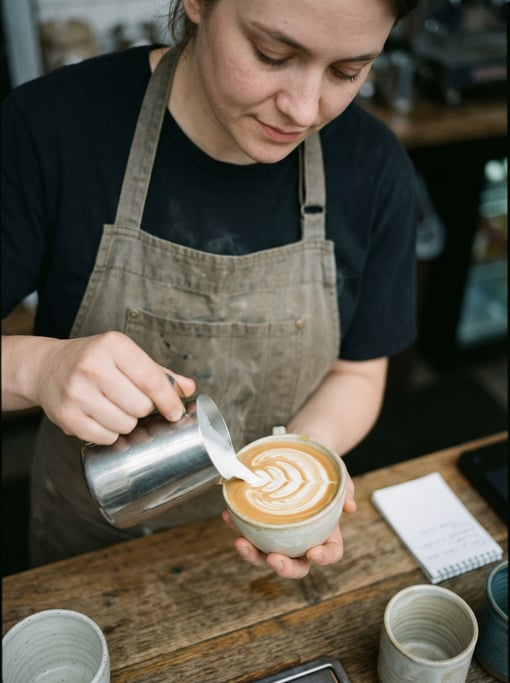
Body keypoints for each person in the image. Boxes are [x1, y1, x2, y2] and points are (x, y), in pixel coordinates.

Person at [1, 0, 419, 578]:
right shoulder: (50, 129)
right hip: (91, 551)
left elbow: (359, 372)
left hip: (256, 564)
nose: (302, 108)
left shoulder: (374, 167)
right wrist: (36, 369)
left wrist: (300, 471)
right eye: (272, 55)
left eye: (347, 72)